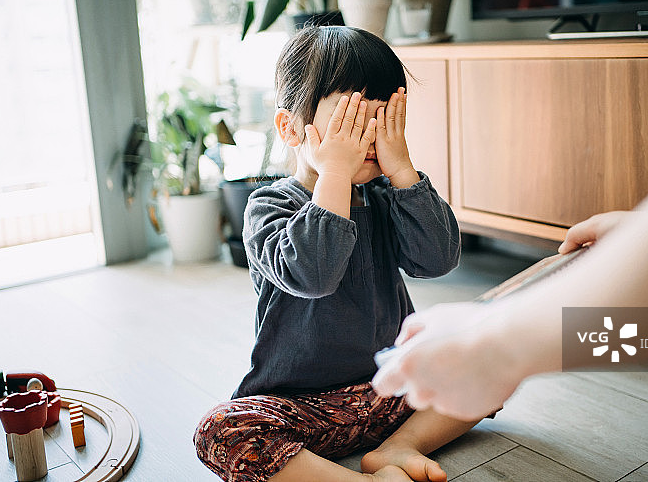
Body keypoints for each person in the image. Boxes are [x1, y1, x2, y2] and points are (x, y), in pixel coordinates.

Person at [194, 26, 479, 482]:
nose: (366, 137)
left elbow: (437, 260)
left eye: (381, 119)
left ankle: (398, 450)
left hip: (391, 387)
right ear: (290, 128)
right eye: (349, 121)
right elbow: (313, 274)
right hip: (301, 407)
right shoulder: (268, 206)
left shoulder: (388, 194)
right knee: (220, 430)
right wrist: (335, 174)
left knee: (491, 353)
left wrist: (403, 169)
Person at [372, 114, 648, 422]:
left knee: (463, 392)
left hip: (402, 394)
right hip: (324, 400)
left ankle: (405, 443)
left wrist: (500, 346)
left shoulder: (393, 194)